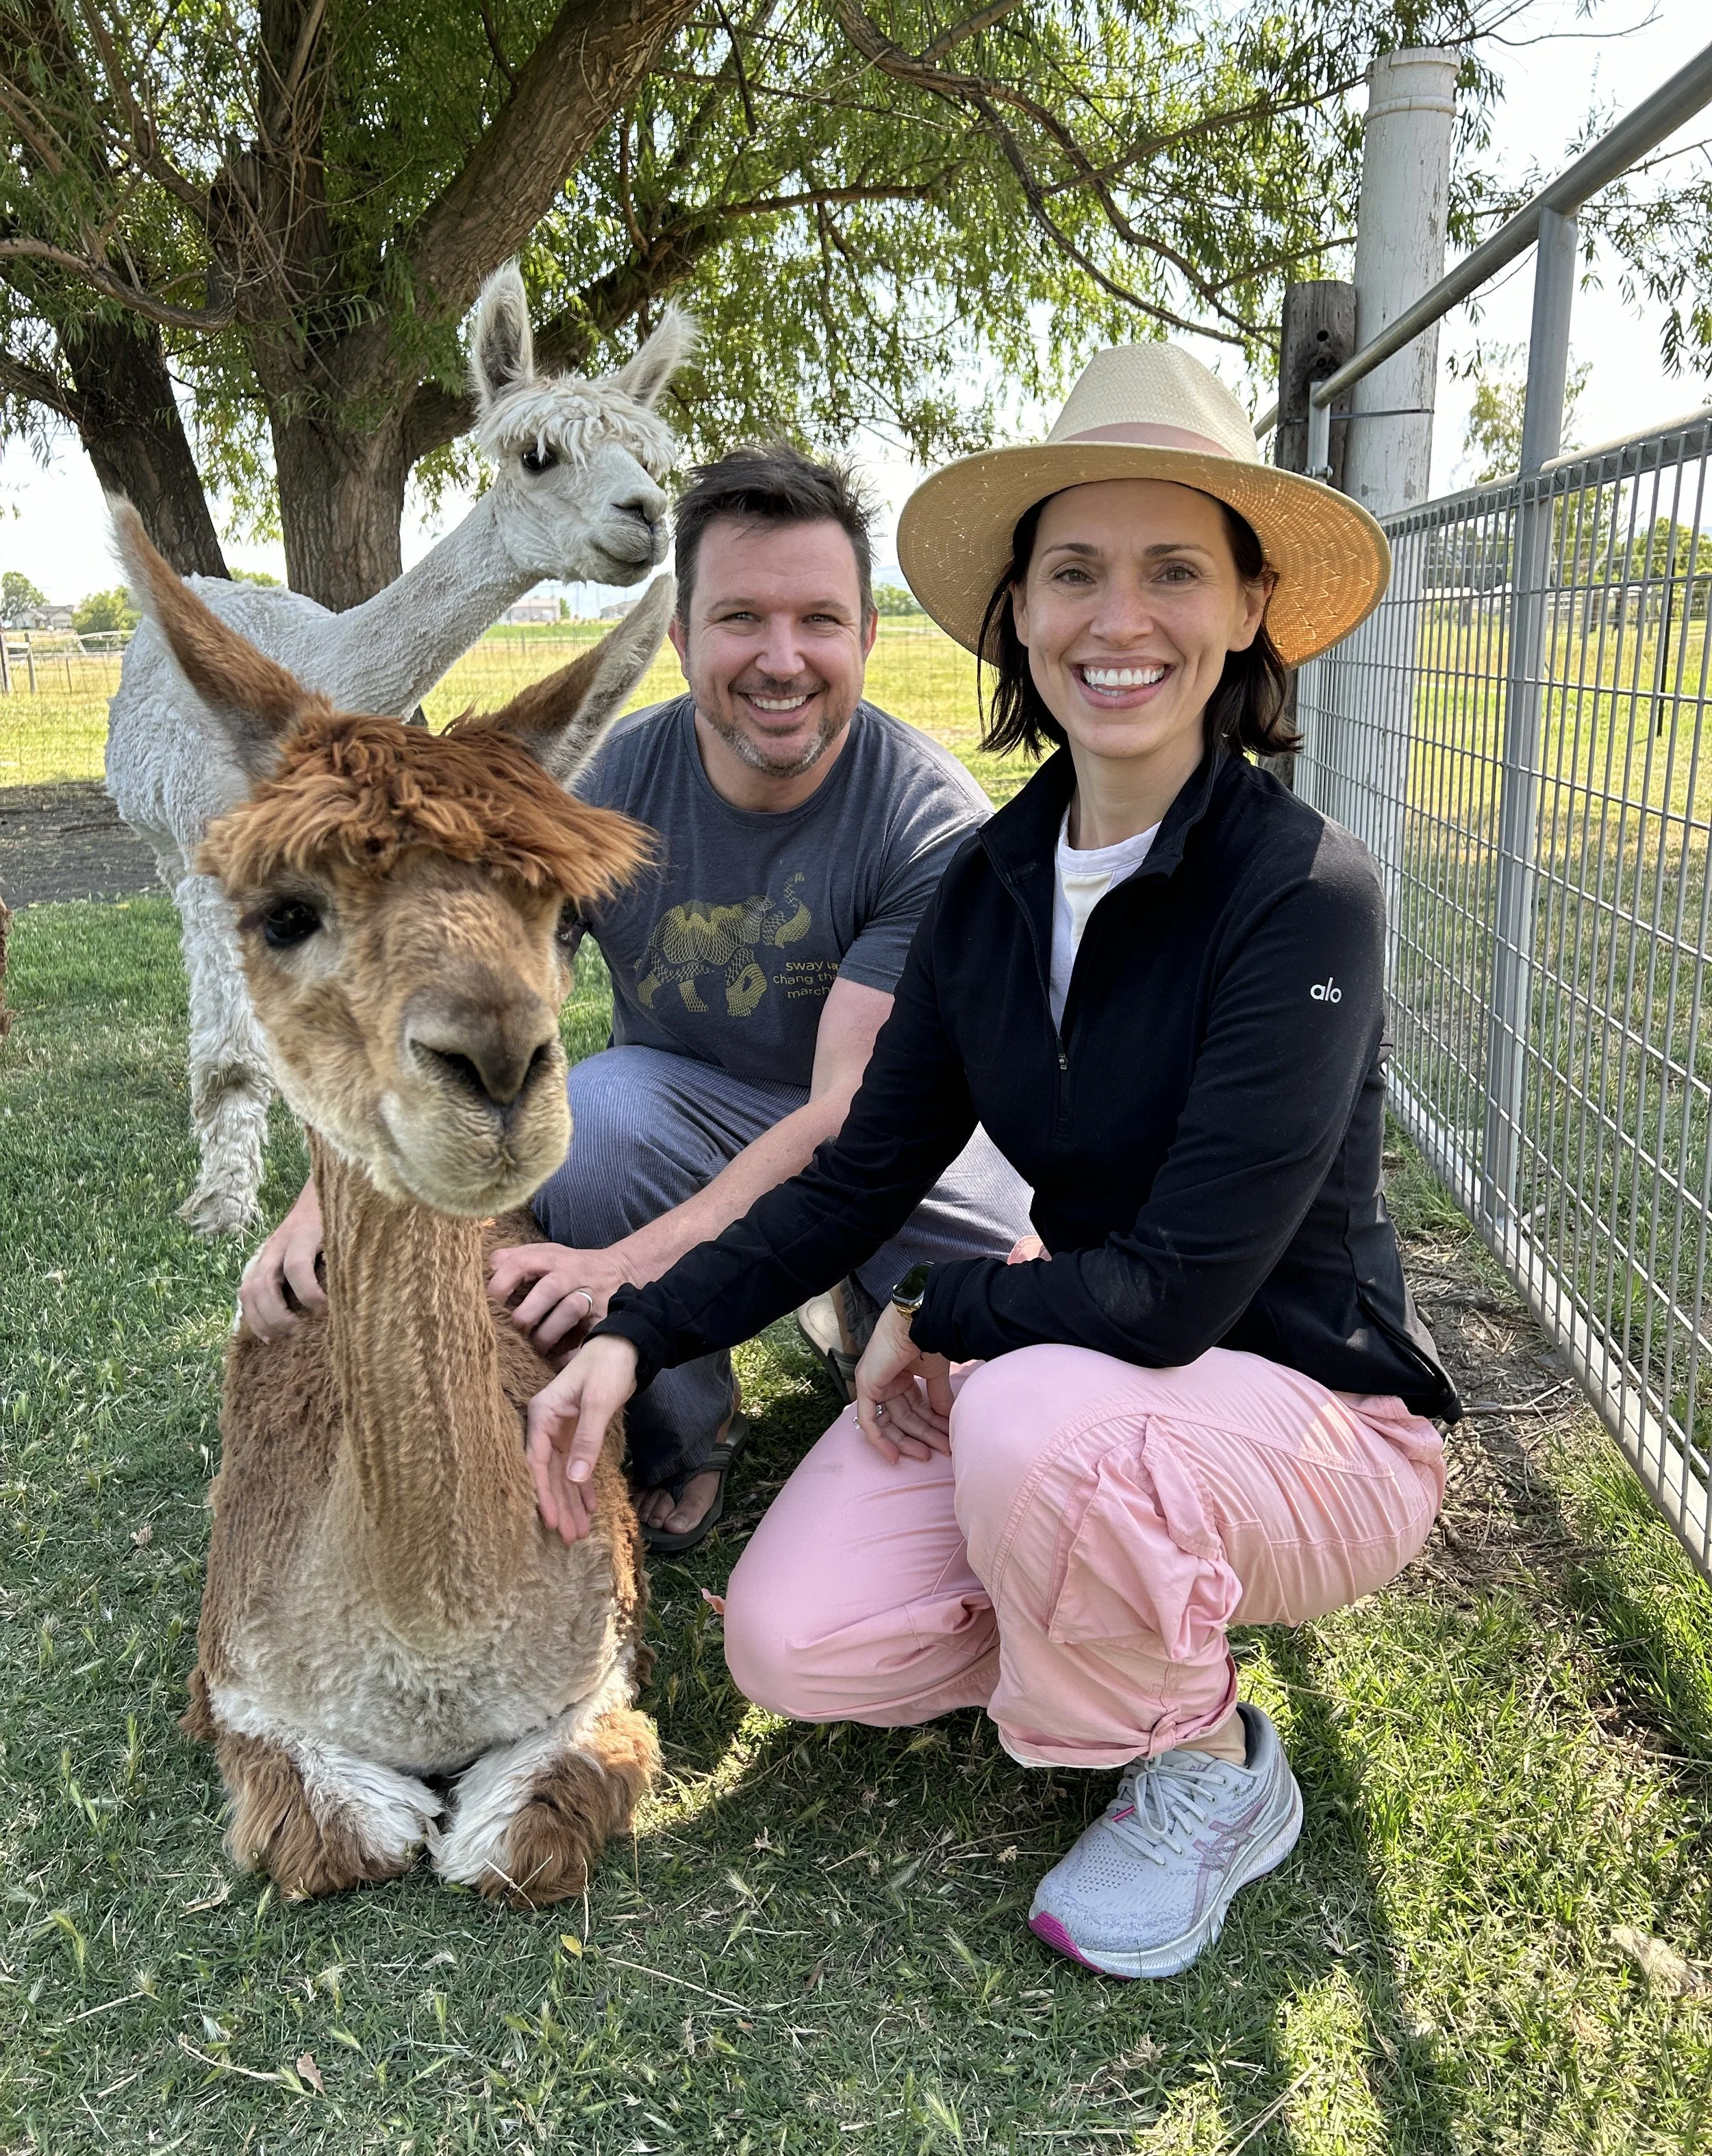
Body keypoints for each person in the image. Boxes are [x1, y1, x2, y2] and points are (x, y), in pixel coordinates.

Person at [525, 342, 1460, 1980]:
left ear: (1246, 605)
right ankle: (1094, 1621)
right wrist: (630, 1334)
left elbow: (1173, 1296)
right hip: (1083, 1363)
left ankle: (1206, 1764)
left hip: (1308, 1415)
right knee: (786, 1640)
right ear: (1017, 612)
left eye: (1172, 570)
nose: (1119, 619)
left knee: (1028, 1417)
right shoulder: (992, 880)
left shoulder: (1303, 893)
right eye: (1074, 571)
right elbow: (847, 1176)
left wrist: (946, 1310)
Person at [238, 444, 1031, 1551]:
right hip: (689, 1107)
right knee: (596, 1123)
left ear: (867, 637)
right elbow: (440, 986)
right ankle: (684, 1431)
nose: (782, 658)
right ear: (682, 637)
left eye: (819, 620)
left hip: (905, 1153)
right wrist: (338, 1190)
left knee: (999, 1398)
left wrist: (629, 1268)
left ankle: (857, 1306)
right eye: (742, 618)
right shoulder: (605, 785)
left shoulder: (927, 821)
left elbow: (849, 1117)